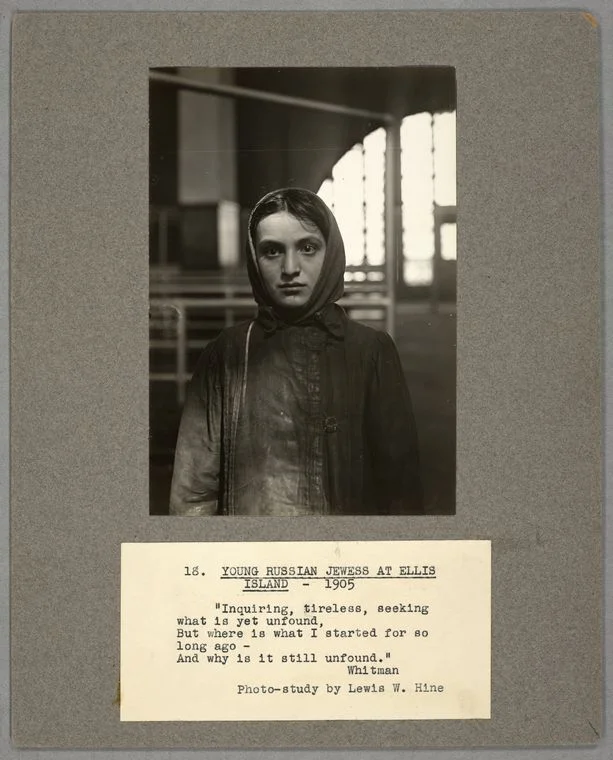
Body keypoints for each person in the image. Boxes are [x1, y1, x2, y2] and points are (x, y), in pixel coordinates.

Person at [169, 187, 423, 516]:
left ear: (331, 254)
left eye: (307, 247)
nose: (291, 268)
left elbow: (401, 495)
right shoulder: (225, 355)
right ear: (254, 259)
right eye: (272, 251)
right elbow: (192, 496)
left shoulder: (372, 352)